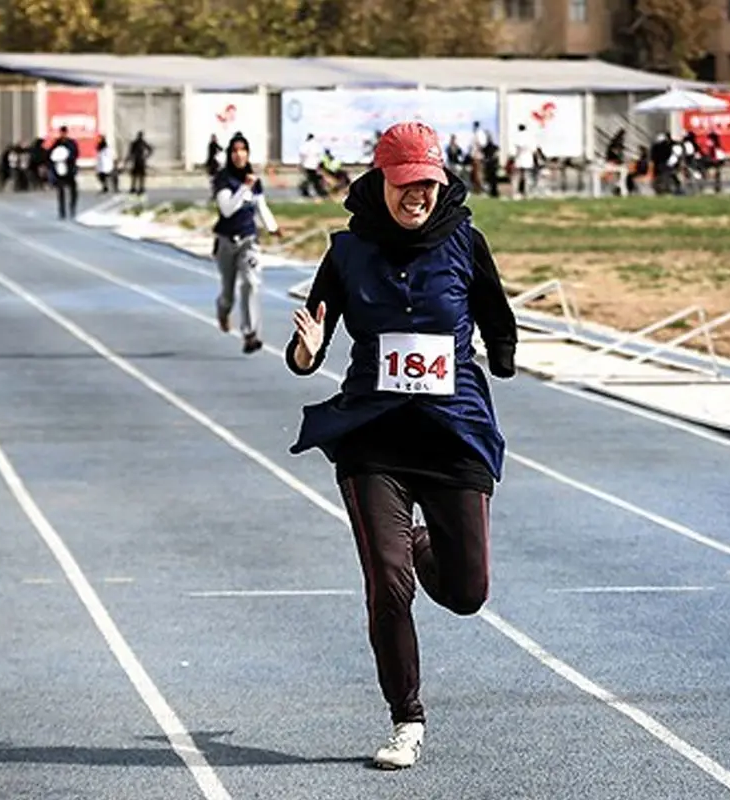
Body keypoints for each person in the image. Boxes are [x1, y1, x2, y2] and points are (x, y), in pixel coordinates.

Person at [283, 121, 518, 769]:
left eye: (428, 184)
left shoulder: (465, 243)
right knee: (388, 584)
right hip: (373, 439)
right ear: (381, 178)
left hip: (453, 434)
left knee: (468, 593)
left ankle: (419, 542)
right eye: (407, 183)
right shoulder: (348, 252)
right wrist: (304, 356)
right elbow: (312, 342)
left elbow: (496, 315)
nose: (418, 195)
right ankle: (406, 719)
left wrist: (500, 357)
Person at [211, 131, 282, 354]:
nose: (239, 155)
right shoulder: (223, 179)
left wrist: (272, 227)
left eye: (243, 150)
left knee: (251, 283)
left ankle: (250, 334)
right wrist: (244, 188)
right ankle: (223, 310)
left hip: (249, 240)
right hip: (226, 241)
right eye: (234, 151)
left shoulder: (254, 179)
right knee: (228, 292)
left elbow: (261, 207)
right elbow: (227, 209)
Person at [47, 125, 79, 219]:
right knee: (60, 191)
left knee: (73, 190)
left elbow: (75, 154)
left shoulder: (71, 143)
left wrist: (67, 159)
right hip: (59, 170)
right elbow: (50, 154)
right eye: (61, 133)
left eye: (64, 133)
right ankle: (62, 211)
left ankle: (72, 208)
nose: (62, 134)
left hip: (69, 170)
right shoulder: (57, 143)